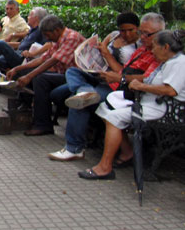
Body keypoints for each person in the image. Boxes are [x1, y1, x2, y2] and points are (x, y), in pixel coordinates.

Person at [49, 12, 163, 161]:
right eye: (141, 33)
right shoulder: (143, 48)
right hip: (110, 79)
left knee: (77, 101)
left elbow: (148, 79)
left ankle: (74, 148)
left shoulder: (159, 52)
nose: (141, 37)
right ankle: (85, 91)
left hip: (122, 90)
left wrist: (119, 76)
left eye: (146, 34)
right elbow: (125, 70)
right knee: (73, 73)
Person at [79, 29, 185, 180]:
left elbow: (170, 90)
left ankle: (105, 167)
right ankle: (127, 151)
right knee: (104, 108)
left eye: (155, 46)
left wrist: (142, 87)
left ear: (166, 47)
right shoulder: (166, 62)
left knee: (113, 117)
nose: (152, 50)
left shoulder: (179, 63)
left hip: (163, 110)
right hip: (150, 103)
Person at [6, 15, 86, 136]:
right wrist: (17, 69)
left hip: (75, 77)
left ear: (57, 31)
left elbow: (53, 60)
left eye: (48, 35)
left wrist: (30, 76)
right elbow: (42, 59)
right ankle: (25, 107)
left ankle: (43, 124)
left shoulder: (71, 37)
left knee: (40, 78)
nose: (47, 38)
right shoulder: (58, 39)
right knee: (27, 73)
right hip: (64, 74)